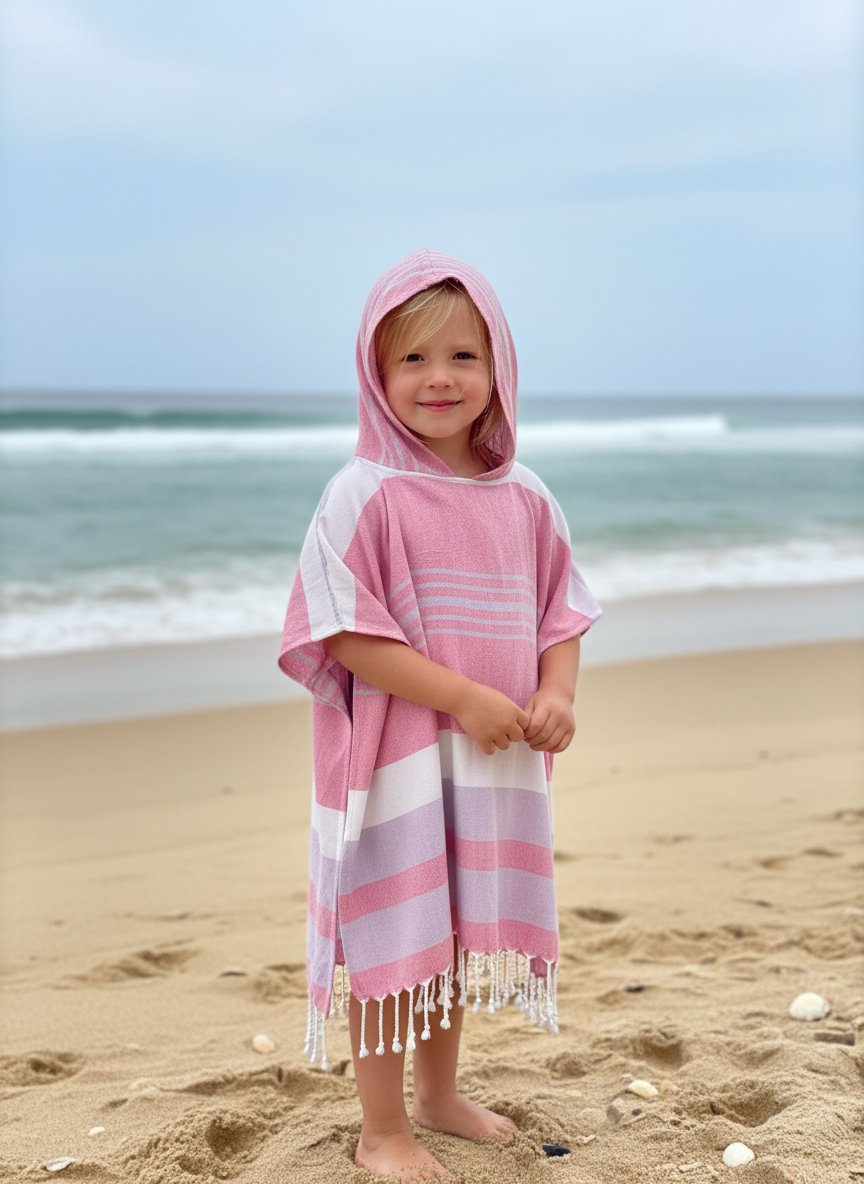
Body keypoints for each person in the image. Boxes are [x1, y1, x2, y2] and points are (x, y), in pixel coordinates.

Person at [279, 248, 600, 1180]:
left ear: (499, 364)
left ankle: (439, 1095)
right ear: (376, 376)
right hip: (397, 762)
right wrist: (459, 696)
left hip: (494, 762)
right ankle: (382, 1130)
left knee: (451, 931)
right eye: (411, 360)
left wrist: (558, 693)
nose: (439, 379)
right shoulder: (362, 493)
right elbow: (341, 631)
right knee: (395, 933)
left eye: (464, 356)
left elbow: (562, 611)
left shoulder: (527, 496)